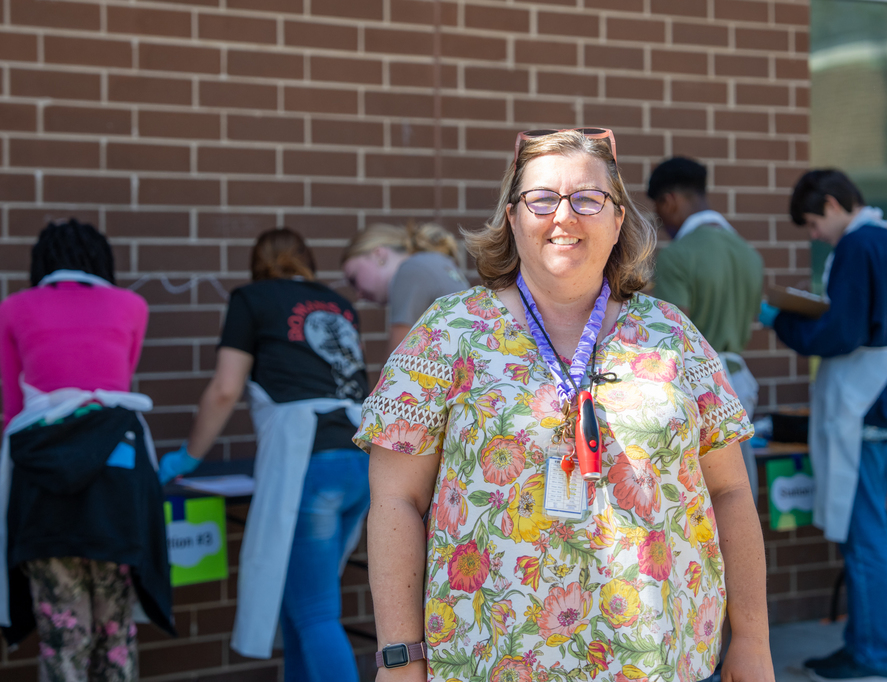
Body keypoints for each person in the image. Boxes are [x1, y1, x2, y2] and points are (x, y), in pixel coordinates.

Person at [356, 129, 774, 682]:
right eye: (542, 198)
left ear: (618, 217)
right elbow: (394, 500)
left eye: (587, 198)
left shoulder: (673, 335)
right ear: (511, 216)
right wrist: (400, 656)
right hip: (488, 662)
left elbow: (730, 490)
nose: (564, 215)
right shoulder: (447, 335)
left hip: (660, 662)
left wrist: (751, 640)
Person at [157, 227, 370, 681]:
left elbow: (224, 389)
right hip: (359, 461)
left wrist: (187, 458)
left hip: (310, 466)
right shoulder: (340, 305)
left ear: (257, 265)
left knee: (314, 613)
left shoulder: (251, 299)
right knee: (301, 605)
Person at [761, 170, 887, 682]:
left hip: (863, 395)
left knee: (864, 532)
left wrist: (780, 320)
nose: (814, 234)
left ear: (834, 204)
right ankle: (863, 643)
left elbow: (842, 332)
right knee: (866, 526)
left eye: (813, 222)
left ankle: (876, 656)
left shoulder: (857, 246)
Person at [0, 219, 173, 681]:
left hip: (42, 474)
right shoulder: (132, 306)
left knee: (64, 632)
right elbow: (114, 387)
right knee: (115, 629)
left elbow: (12, 409)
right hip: (117, 475)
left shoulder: (13, 308)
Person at [648, 157, 764, 502]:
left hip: (697, 385)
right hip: (740, 382)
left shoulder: (678, 256)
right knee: (737, 492)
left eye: (659, 211)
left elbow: (672, 340)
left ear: (669, 200)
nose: (661, 221)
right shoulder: (749, 253)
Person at [342, 222, 469, 354]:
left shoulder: (409, 270)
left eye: (353, 279)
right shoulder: (435, 262)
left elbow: (397, 364)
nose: (358, 294)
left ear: (378, 255)